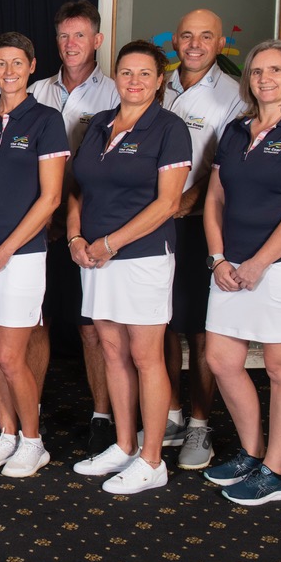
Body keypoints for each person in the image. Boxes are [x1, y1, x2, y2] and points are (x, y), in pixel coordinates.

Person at [201, 40, 281, 505]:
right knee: (221, 360)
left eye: (275, 69)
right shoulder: (236, 130)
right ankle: (252, 453)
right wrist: (218, 258)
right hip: (231, 265)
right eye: (257, 71)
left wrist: (259, 263)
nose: (265, 78)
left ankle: (276, 472)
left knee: (280, 367)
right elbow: (214, 199)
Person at [68, 40, 191, 495]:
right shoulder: (99, 123)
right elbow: (78, 188)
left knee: (144, 356)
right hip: (96, 257)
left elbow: (168, 203)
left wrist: (109, 243)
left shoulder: (170, 128)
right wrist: (76, 238)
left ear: (160, 81)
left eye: (144, 74)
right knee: (112, 352)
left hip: (141, 258)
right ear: (115, 76)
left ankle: (153, 458)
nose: (134, 81)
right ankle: (123, 444)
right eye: (126, 72)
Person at [0, 33, 68, 478]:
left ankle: (33, 441)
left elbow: (51, 198)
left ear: (32, 66)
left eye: (17, 63)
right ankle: (5, 434)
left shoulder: (46, 120)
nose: (8, 72)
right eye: (1, 64)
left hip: (20, 255)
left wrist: (6, 249)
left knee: (9, 356)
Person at [28, 0, 121, 456]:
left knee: (92, 326)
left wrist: (74, 222)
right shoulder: (34, 90)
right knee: (35, 320)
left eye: (80, 35)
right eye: (64, 36)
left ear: (98, 40)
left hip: (89, 223)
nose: (70, 44)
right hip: (38, 224)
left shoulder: (116, 94)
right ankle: (33, 409)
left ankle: (102, 416)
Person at [162, 9, 245, 470]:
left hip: (197, 224)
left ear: (219, 44)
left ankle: (200, 423)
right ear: (175, 39)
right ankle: (172, 413)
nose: (195, 44)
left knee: (200, 327)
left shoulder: (233, 95)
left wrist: (180, 203)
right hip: (155, 224)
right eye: (187, 35)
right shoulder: (158, 85)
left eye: (205, 36)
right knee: (162, 323)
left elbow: (222, 168)